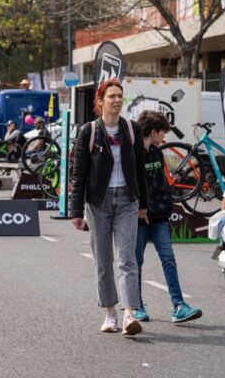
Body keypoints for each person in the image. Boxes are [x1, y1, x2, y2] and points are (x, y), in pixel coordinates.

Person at [69, 79, 148, 336]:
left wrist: (143, 205)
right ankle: (110, 313)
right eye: (111, 96)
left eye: (120, 96)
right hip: (97, 204)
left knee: (128, 259)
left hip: (127, 201)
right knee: (103, 261)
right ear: (100, 102)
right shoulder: (89, 131)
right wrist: (76, 211)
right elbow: (79, 173)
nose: (117, 100)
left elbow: (140, 172)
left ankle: (129, 315)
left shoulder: (132, 129)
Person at [133, 111, 203, 324]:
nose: (163, 138)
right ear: (153, 131)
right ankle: (136, 306)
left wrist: (166, 205)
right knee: (135, 262)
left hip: (159, 216)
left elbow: (162, 183)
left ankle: (179, 305)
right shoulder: (132, 154)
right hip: (137, 219)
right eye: (161, 133)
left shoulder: (156, 152)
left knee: (168, 259)